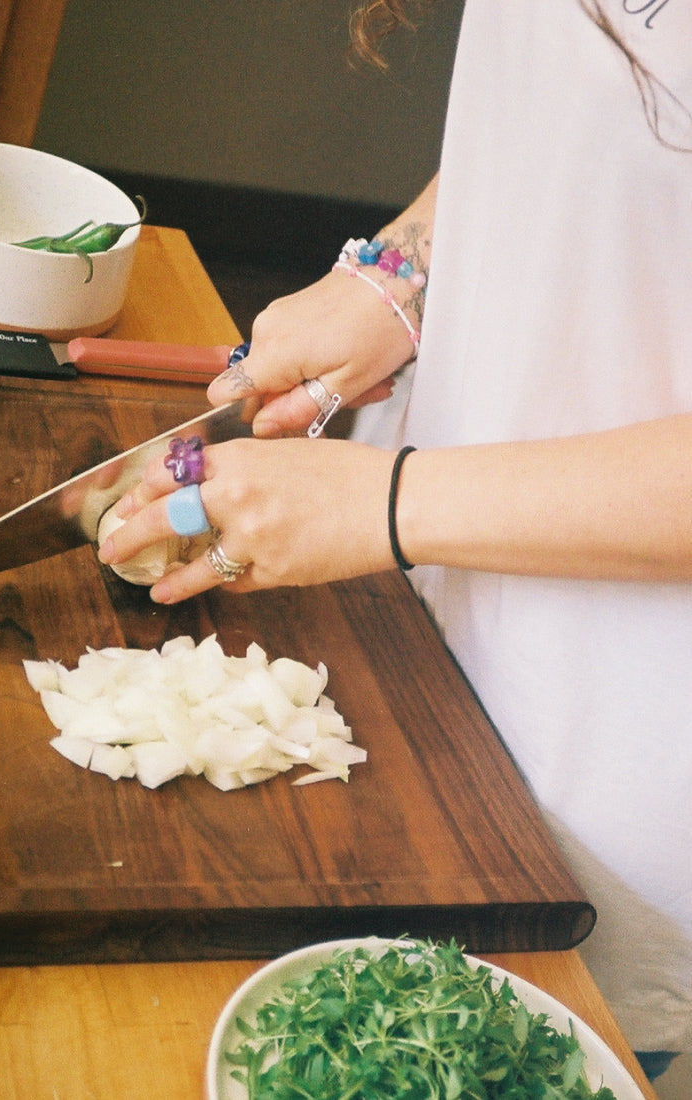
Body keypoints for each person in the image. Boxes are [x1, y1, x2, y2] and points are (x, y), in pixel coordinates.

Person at [98, 0, 692, 1078]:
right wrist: (398, 272)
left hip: (605, 769)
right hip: (415, 631)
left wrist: (378, 505)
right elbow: (569, 111)